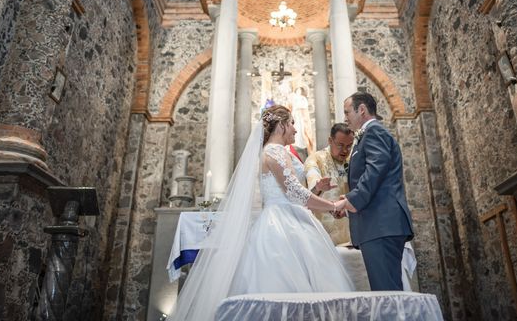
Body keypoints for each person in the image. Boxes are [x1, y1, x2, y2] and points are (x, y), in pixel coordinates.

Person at [168, 105, 353, 321]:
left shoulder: (277, 151)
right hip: (283, 224)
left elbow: (296, 191)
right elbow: (294, 192)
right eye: (292, 123)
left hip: (291, 216)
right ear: (282, 125)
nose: (295, 129)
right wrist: (333, 206)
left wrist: (319, 188)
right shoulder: (274, 151)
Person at [340, 92, 414, 291]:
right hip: (378, 224)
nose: (345, 117)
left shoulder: (374, 132)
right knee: (386, 293)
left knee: (387, 294)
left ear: (361, 110)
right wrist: (348, 203)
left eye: (347, 112)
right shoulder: (369, 134)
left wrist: (351, 201)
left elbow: (375, 171)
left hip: (381, 224)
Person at [304, 123, 354, 245]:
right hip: (326, 233)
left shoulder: (353, 158)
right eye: (340, 145)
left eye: (349, 146)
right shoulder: (315, 159)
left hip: (353, 231)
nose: (345, 150)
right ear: (330, 140)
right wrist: (318, 187)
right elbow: (309, 195)